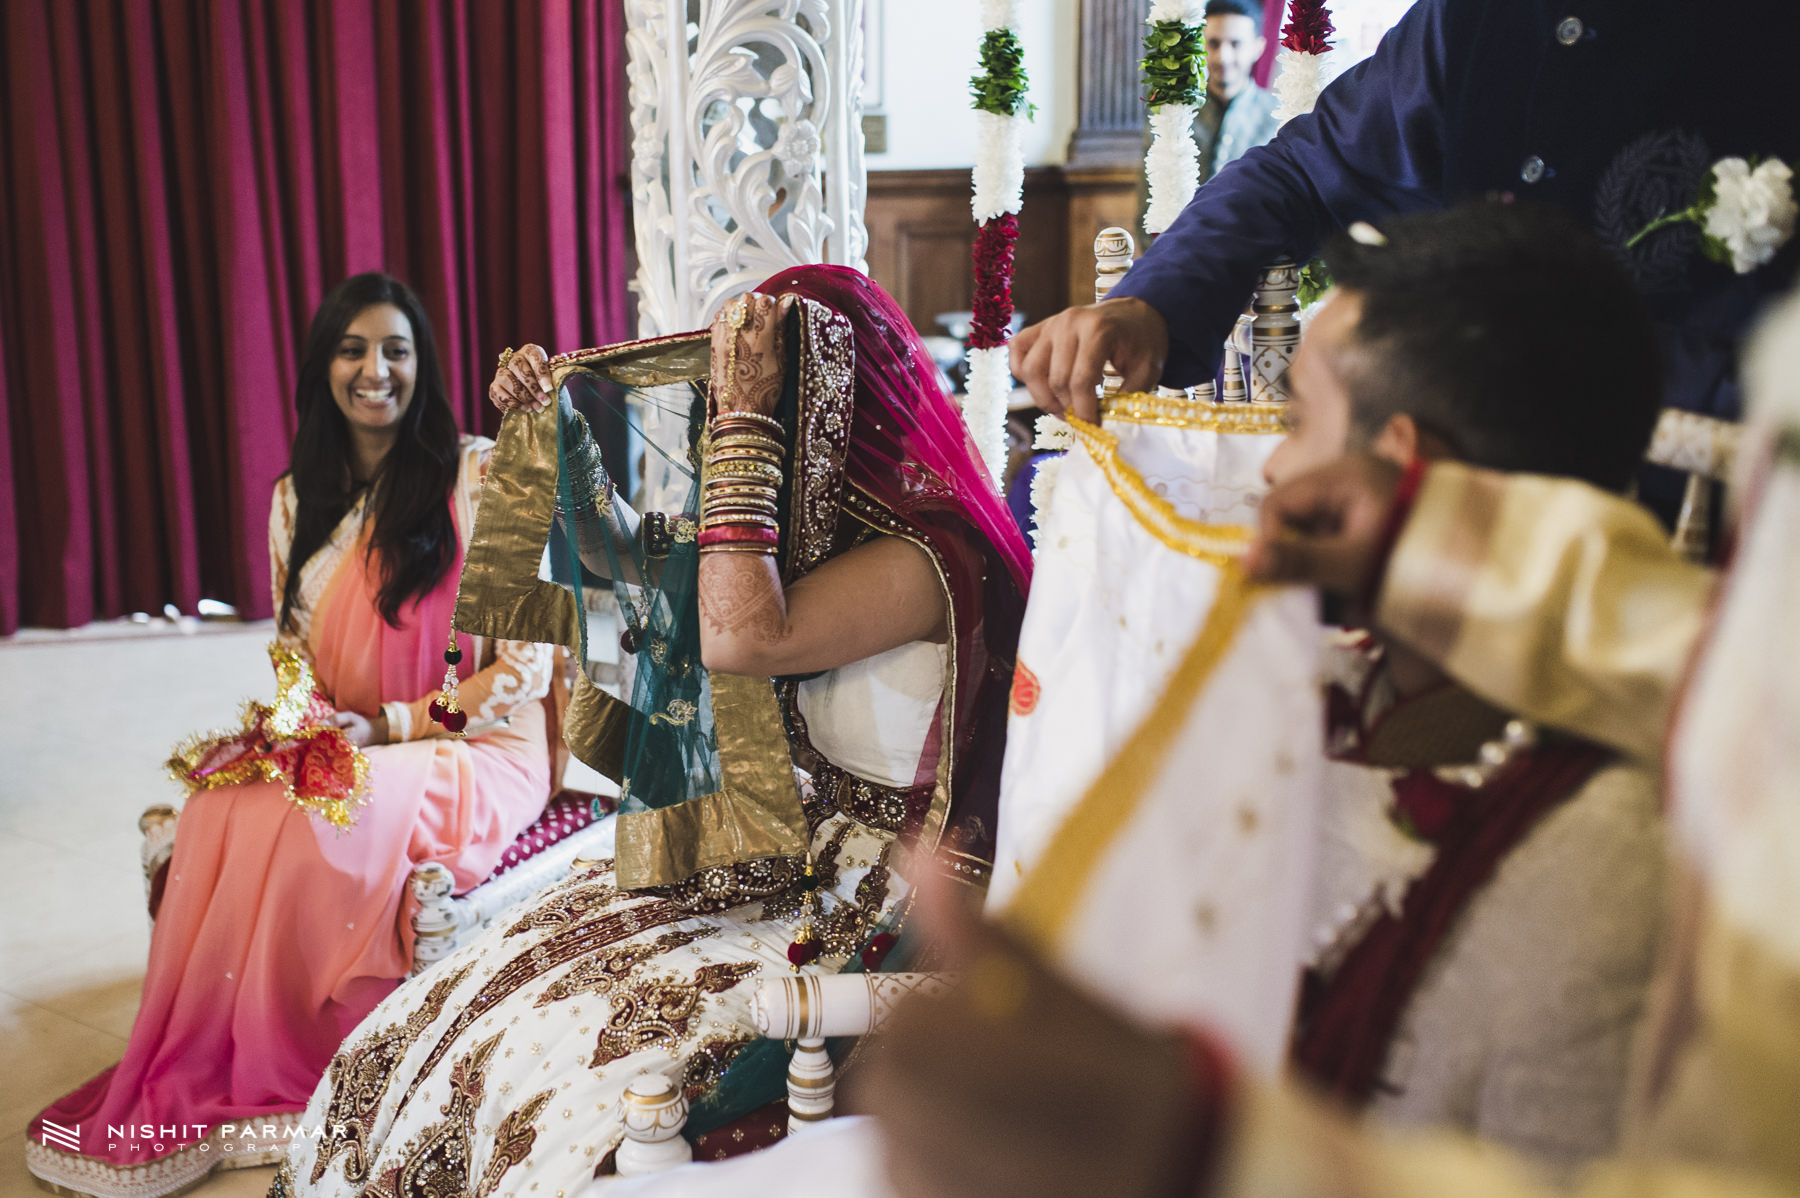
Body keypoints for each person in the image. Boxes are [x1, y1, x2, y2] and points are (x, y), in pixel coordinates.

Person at [853, 282, 1800, 1198]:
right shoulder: (1322, 690)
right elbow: (1750, 667)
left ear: (1397, 455)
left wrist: (1210, 1155)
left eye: (1297, 417)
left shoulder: (1594, 867)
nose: (1266, 464)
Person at [273, 265, 1031, 1198]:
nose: (726, 415)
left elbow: (740, 634)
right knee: (467, 1000)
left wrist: (748, 431)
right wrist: (550, 435)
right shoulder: (809, 540)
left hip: (885, 903)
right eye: (726, 397)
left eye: (752, 395)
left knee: (567, 1075)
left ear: (835, 405)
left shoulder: (930, 556)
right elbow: (634, 574)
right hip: (786, 854)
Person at [25, 273, 558, 1198]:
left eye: (396, 349)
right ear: (323, 368)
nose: (375, 370)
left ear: (422, 365)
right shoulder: (293, 499)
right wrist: (301, 730)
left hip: (475, 750)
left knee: (322, 821)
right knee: (218, 810)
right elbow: (294, 657)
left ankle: (313, 1056)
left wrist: (387, 725)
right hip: (352, 741)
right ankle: (225, 1042)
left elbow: (526, 676)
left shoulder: (477, 473)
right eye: (353, 349)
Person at [1018, 0, 1800, 437]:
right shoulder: (1470, 23)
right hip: (1443, 496)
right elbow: (1301, 169)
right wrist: (1152, 303)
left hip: (1704, 532)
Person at [1136, 0, 1280, 231]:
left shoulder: (1279, 117)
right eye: (1213, 43)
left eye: (1235, 44)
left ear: (1258, 47)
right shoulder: (1173, 112)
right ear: (1199, 45)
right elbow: (1148, 212)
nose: (1223, 57)